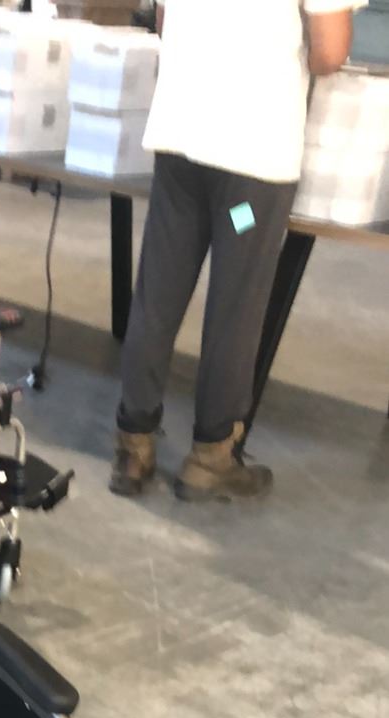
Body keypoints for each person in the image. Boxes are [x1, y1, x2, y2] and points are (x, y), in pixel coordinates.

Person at [112, 0, 365, 503]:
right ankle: (211, 457)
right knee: (236, 303)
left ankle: (133, 446)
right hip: (250, 159)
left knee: (158, 293)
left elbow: (164, 19)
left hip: (181, 136)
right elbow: (330, 51)